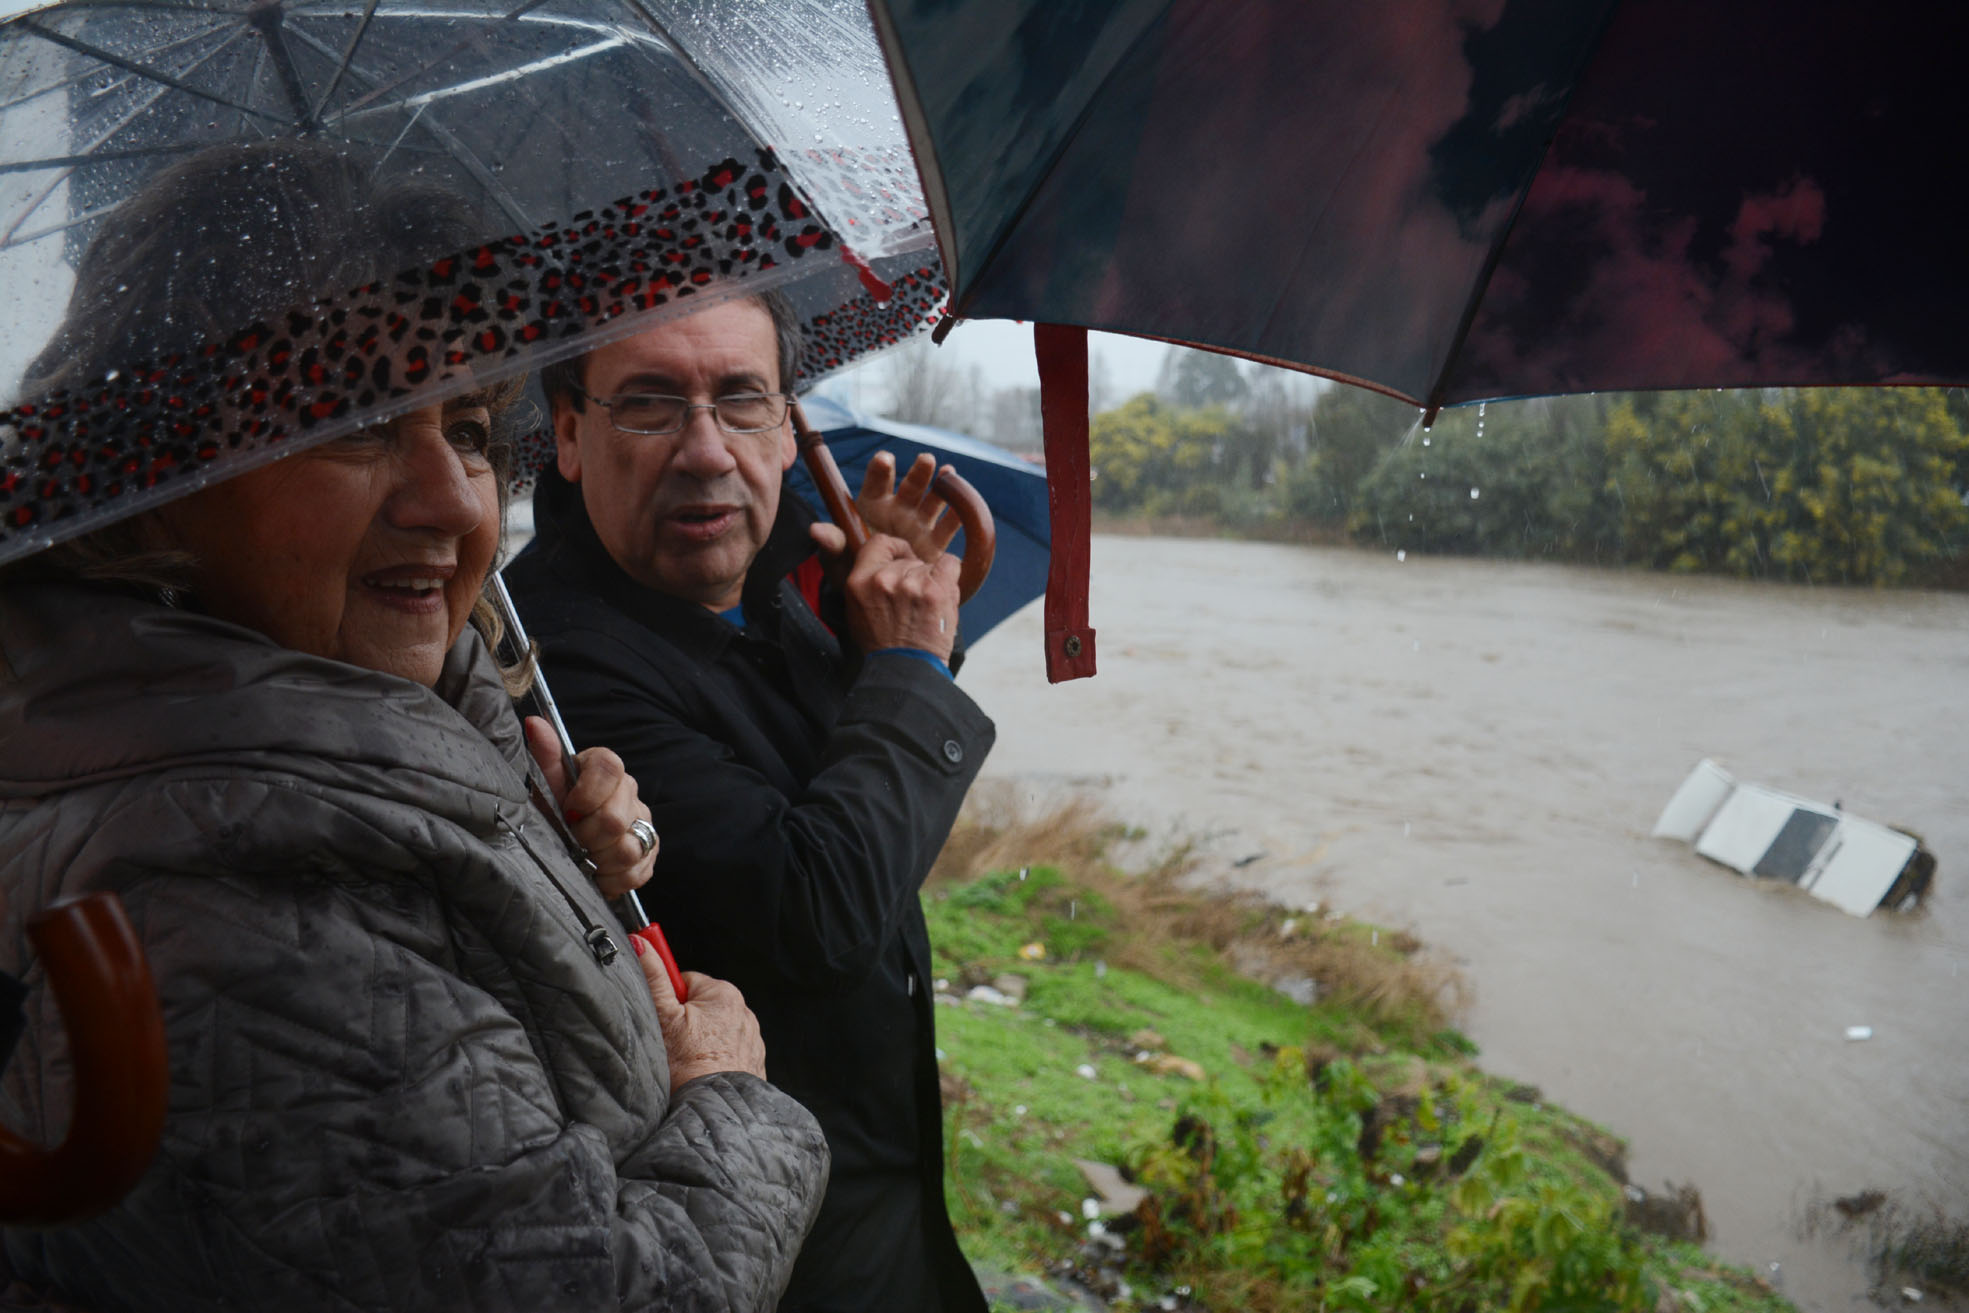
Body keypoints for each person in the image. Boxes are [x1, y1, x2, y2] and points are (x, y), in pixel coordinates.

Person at [0, 141, 828, 1310]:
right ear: (163, 465)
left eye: (471, 429)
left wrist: (538, 853)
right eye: (361, 420)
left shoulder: (375, 715)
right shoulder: (226, 901)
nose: (450, 497)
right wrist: (729, 1098)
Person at [504, 293, 994, 1313]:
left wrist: (881, 628)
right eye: (647, 405)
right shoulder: (558, 666)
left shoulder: (774, 586)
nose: (705, 450)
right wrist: (907, 662)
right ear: (565, 433)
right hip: (762, 1237)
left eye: (741, 400)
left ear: (786, 425)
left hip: (880, 1194)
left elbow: (841, 800)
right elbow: (812, 910)